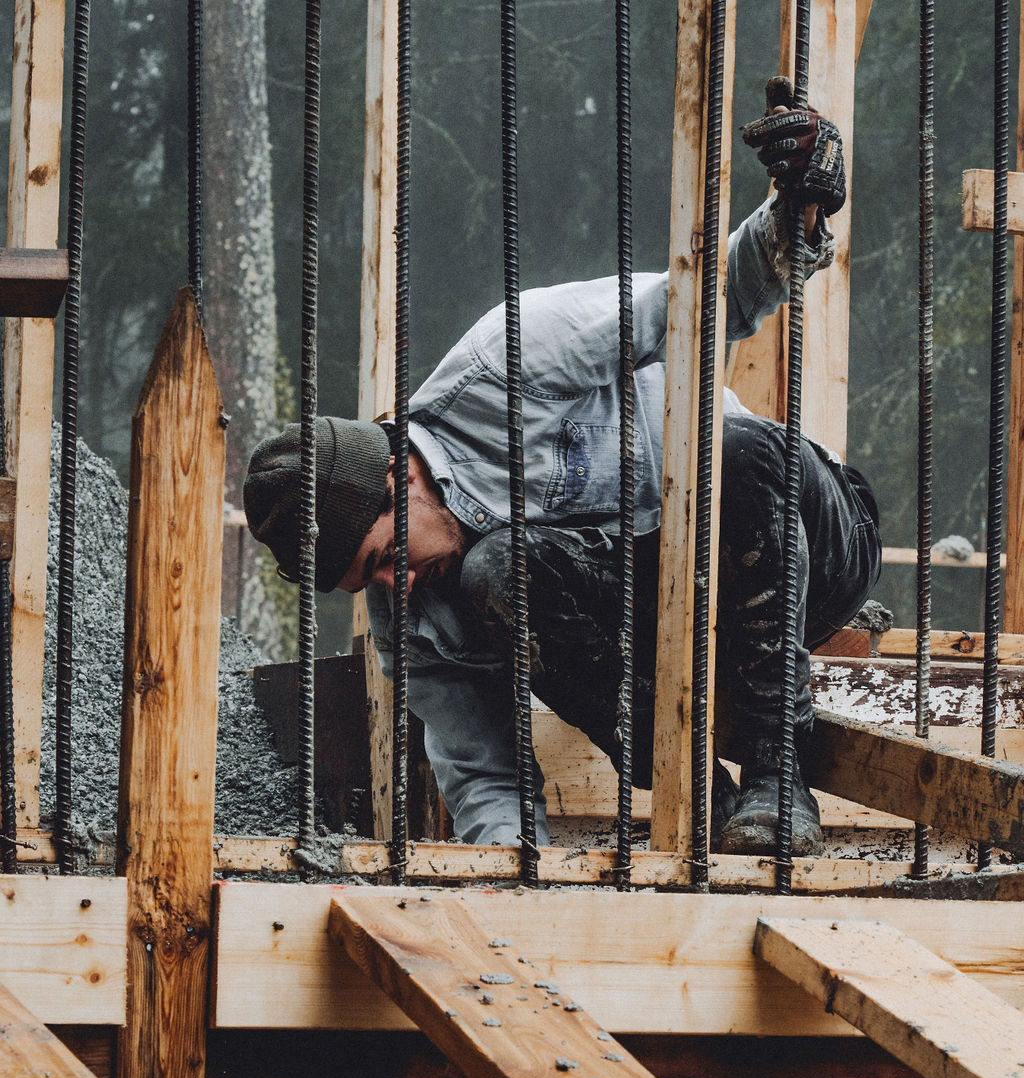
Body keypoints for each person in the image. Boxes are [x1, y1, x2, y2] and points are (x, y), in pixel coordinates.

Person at [243, 90, 880, 856]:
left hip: (793, 545)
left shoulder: (507, 362)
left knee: (735, 449)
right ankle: (699, 797)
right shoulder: (412, 615)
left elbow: (700, 304)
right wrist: (513, 880)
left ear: (397, 477)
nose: (394, 589)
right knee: (498, 570)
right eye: (369, 584)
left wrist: (794, 214)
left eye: (383, 559)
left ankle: (780, 777)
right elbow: (483, 774)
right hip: (667, 636)